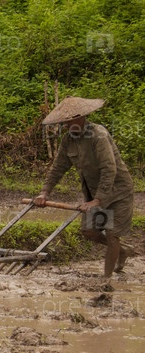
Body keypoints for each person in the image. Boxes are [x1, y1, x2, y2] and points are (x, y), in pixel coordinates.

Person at [34, 96, 135, 277]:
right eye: (64, 123)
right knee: (89, 231)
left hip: (118, 192)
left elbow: (109, 168)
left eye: (68, 122)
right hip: (94, 193)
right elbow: (58, 167)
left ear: (80, 118)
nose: (65, 126)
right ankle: (123, 250)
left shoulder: (98, 135)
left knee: (112, 234)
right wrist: (45, 191)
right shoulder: (68, 140)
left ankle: (106, 282)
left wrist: (98, 200)